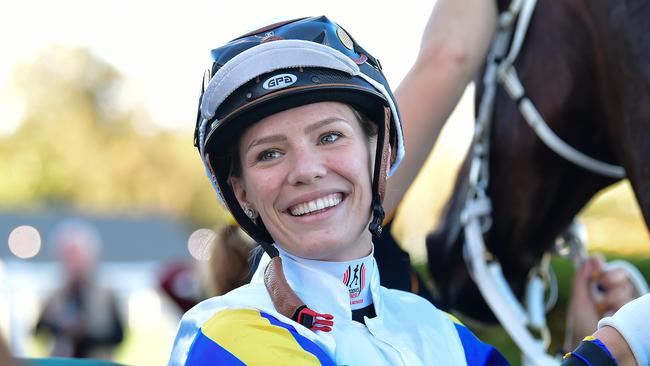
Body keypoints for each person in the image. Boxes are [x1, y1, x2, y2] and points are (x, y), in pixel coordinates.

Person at [169, 5, 649, 366]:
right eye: (269, 153)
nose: (306, 169)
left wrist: (585, 338)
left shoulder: (442, 333)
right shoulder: (219, 338)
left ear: (381, 157)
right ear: (242, 190)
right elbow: (448, 56)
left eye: (330, 136)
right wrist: (625, 341)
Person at [35, 219, 124, 360]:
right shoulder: (56, 295)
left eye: (76, 256)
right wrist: (60, 327)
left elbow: (118, 335)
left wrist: (85, 333)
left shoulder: (105, 294)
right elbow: (38, 331)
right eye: (68, 256)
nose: (73, 262)